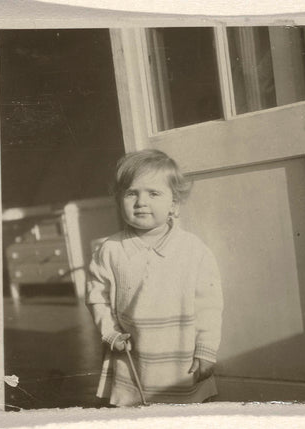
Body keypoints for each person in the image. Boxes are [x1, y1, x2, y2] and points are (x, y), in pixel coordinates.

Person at [86, 149, 223, 406]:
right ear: (119, 200)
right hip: (131, 356)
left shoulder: (192, 250)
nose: (141, 202)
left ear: (174, 204)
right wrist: (110, 333)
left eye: (154, 193)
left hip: (181, 357)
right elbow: (97, 298)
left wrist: (206, 350)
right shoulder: (110, 250)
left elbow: (209, 305)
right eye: (131, 193)